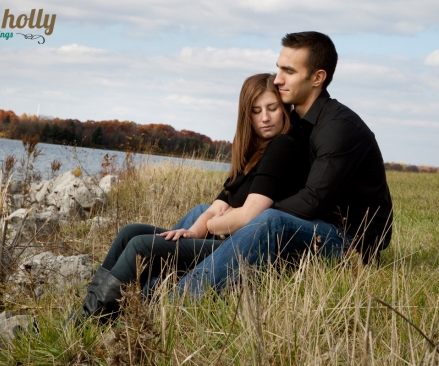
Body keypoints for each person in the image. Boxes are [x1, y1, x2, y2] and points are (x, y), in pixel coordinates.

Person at [75, 73, 310, 321]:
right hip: (223, 239)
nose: (265, 117)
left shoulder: (282, 146)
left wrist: (213, 224)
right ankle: (86, 314)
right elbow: (218, 204)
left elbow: (249, 216)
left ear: (283, 109)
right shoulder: (253, 154)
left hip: (237, 248)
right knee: (130, 232)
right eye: (256, 110)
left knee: (141, 246)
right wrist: (195, 231)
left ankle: (86, 324)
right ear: (246, 116)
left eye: (272, 108)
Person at [176, 31, 393, 295]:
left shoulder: (337, 127)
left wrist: (246, 215)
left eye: (288, 71)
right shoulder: (298, 125)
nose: (278, 79)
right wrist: (234, 209)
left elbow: (313, 200)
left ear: (317, 78)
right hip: (312, 224)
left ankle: (178, 298)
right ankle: (152, 271)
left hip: (350, 242)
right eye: (279, 68)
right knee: (205, 210)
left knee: (269, 220)